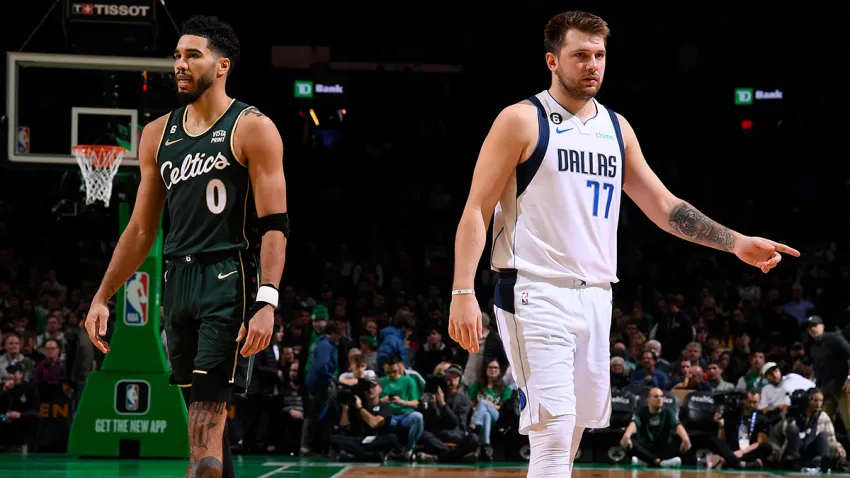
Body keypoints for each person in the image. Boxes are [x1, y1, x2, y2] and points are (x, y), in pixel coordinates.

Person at [447, 10, 799, 477]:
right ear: (552, 61)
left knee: (569, 439)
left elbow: (665, 207)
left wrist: (734, 243)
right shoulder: (521, 120)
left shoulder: (616, 128)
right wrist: (462, 292)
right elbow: (475, 208)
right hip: (534, 290)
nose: (592, 64)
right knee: (552, 434)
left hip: (596, 295)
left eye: (599, 55)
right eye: (579, 56)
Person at [83, 15, 288, 478]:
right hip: (177, 283)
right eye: (177, 55)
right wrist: (102, 296)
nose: (179, 63)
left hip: (227, 278)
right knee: (204, 419)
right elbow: (140, 230)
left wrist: (267, 301)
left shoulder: (252, 127)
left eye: (192, 55)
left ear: (222, 66)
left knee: (203, 429)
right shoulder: (157, 134)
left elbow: (275, 224)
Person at [620, 387, 691, 468]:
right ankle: (660, 462)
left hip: (664, 447)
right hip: (646, 447)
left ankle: (647, 461)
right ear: (649, 399)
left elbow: (678, 425)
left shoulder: (668, 411)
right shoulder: (640, 411)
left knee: (680, 440)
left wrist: (686, 439)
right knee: (630, 441)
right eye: (656, 396)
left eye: (661, 396)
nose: (659, 399)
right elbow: (633, 424)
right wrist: (626, 436)